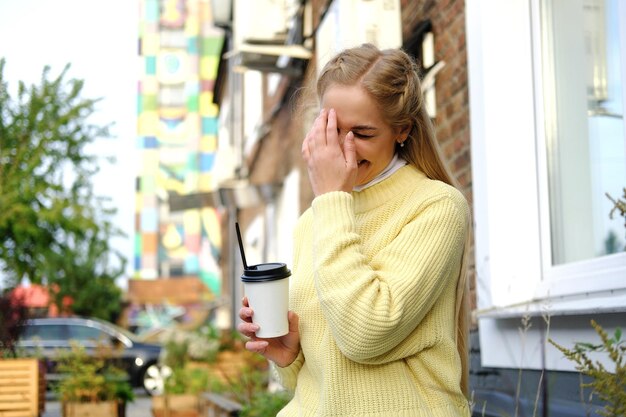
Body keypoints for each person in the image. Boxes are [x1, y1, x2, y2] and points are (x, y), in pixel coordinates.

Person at [238, 43, 471, 416]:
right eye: (333, 128)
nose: (344, 148)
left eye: (362, 133)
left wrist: (331, 199)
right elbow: (322, 374)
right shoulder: (313, 220)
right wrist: (289, 353)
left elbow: (366, 334)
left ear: (402, 130)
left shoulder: (435, 206)